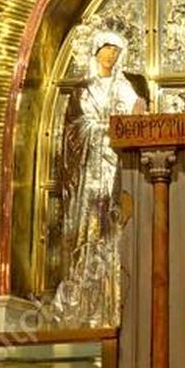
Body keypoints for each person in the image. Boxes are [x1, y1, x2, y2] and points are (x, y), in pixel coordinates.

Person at [49, 26, 146, 327]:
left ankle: (114, 303)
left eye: (116, 51)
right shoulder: (83, 90)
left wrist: (134, 118)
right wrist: (108, 128)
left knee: (116, 234)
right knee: (90, 233)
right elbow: (76, 130)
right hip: (90, 175)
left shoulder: (125, 88)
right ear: (96, 52)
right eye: (106, 49)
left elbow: (136, 122)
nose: (110, 55)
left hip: (117, 171)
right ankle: (83, 306)